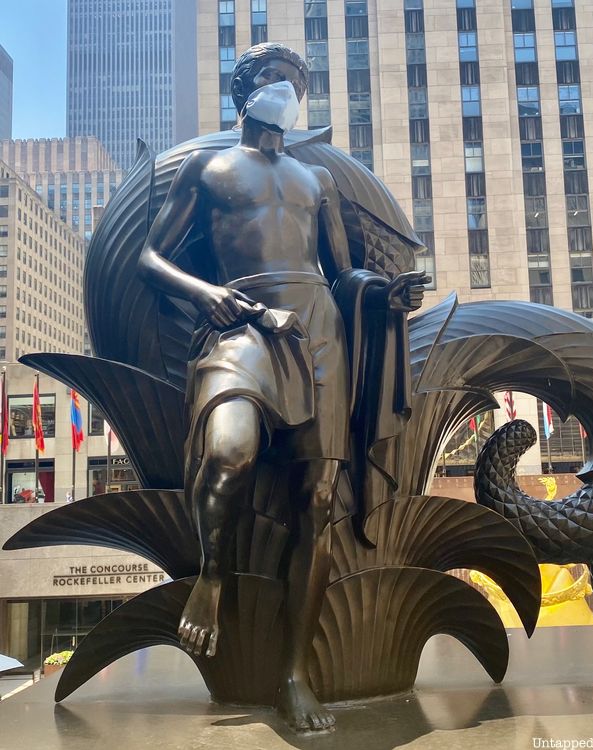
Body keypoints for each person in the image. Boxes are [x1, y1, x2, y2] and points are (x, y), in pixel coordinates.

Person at [138, 43, 426, 732]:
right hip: (240, 328)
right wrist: (208, 294)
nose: (288, 91)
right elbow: (150, 255)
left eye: (297, 83)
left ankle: (296, 673)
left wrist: (385, 294)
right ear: (245, 91)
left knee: (319, 499)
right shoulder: (209, 171)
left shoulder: (313, 179)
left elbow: (343, 270)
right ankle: (212, 576)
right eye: (276, 80)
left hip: (317, 333)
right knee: (230, 450)